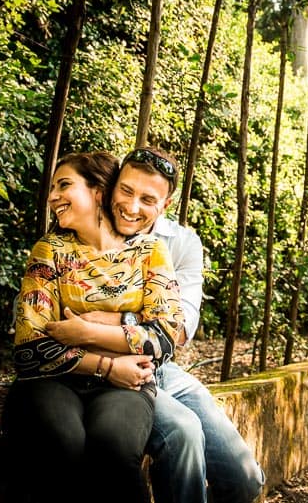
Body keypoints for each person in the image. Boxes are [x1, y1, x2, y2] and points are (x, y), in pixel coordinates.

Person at [60, 146, 265, 503]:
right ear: (112, 187)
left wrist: (116, 318)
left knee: (243, 478)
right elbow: (62, 317)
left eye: (147, 199)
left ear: (165, 205)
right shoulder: (85, 226)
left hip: (164, 367)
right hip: (109, 371)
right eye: (126, 191)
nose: (132, 206)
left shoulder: (182, 243)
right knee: (182, 434)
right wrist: (145, 321)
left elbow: (179, 328)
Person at [4, 151, 185, 503]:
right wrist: (110, 362)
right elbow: (30, 348)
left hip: (126, 388)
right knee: (64, 442)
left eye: (64, 185)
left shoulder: (151, 252)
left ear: (97, 192)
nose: (53, 195)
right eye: (54, 187)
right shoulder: (49, 251)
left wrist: (86, 333)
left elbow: (164, 338)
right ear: (111, 192)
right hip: (51, 383)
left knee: (115, 445)